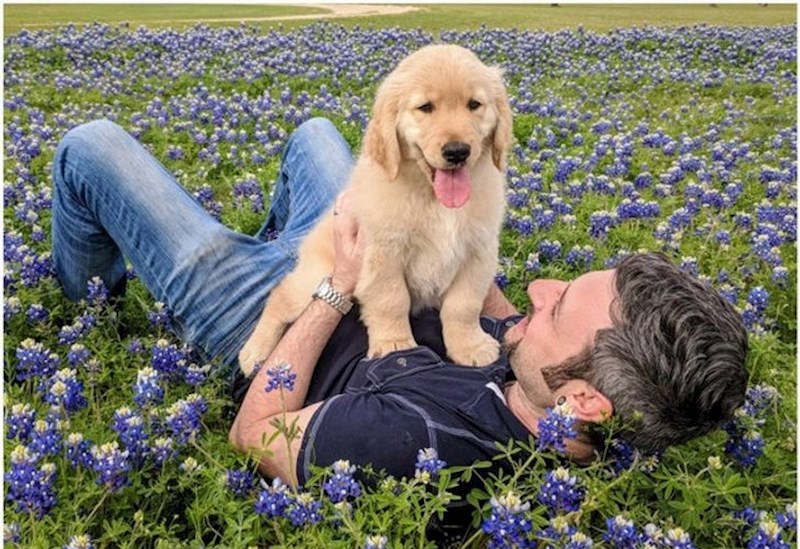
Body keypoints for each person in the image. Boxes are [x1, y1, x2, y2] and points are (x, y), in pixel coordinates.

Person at [53, 117, 748, 490]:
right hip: (369, 262)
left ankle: (90, 304)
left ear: (589, 400)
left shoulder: (424, 441)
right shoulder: (551, 389)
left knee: (89, 149)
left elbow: (257, 436)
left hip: (277, 317)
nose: (540, 288)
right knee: (319, 135)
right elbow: (496, 305)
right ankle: (282, 236)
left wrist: (333, 289)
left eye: (559, 306)